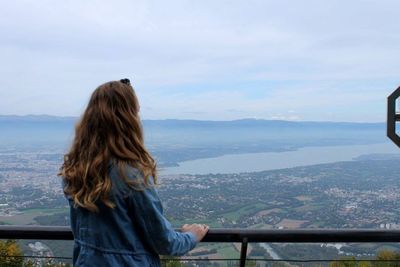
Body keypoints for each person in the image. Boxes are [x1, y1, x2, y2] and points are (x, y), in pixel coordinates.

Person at [59, 79, 209, 266]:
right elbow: (164, 242)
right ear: (128, 120)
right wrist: (191, 236)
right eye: (136, 112)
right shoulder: (129, 174)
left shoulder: (75, 170)